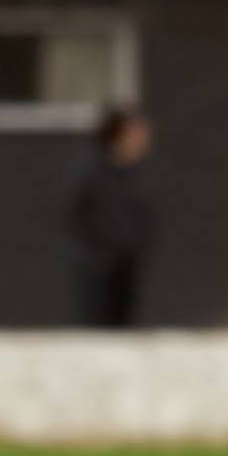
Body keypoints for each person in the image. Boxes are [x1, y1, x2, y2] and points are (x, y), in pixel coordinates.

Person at [65, 108, 154, 328]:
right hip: (100, 262)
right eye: (135, 133)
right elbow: (75, 212)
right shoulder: (93, 171)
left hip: (129, 259)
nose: (141, 139)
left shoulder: (136, 174)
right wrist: (95, 247)